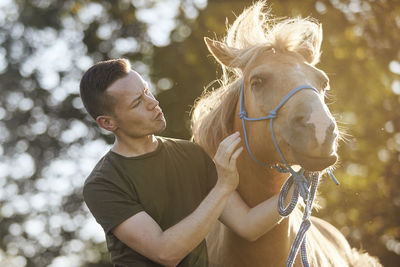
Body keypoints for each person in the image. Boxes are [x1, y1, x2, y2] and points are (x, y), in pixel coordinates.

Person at [80, 58, 293, 267]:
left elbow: (248, 225)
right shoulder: (103, 184)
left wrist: (300, 183)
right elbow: (165, 253)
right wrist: (224, 186)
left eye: (146, 91)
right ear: (107, 123)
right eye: (137, 102)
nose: (153, 102)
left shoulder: (191, 154)